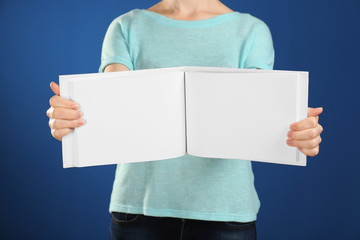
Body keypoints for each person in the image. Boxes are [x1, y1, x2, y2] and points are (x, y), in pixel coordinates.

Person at [46, 0, 324, 239]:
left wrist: (301, 134)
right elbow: (112, 108)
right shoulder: (126, 26)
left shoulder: (252, 31)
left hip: (226, 214)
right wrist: (71, 123)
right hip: (138, 210)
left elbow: (257, 119)